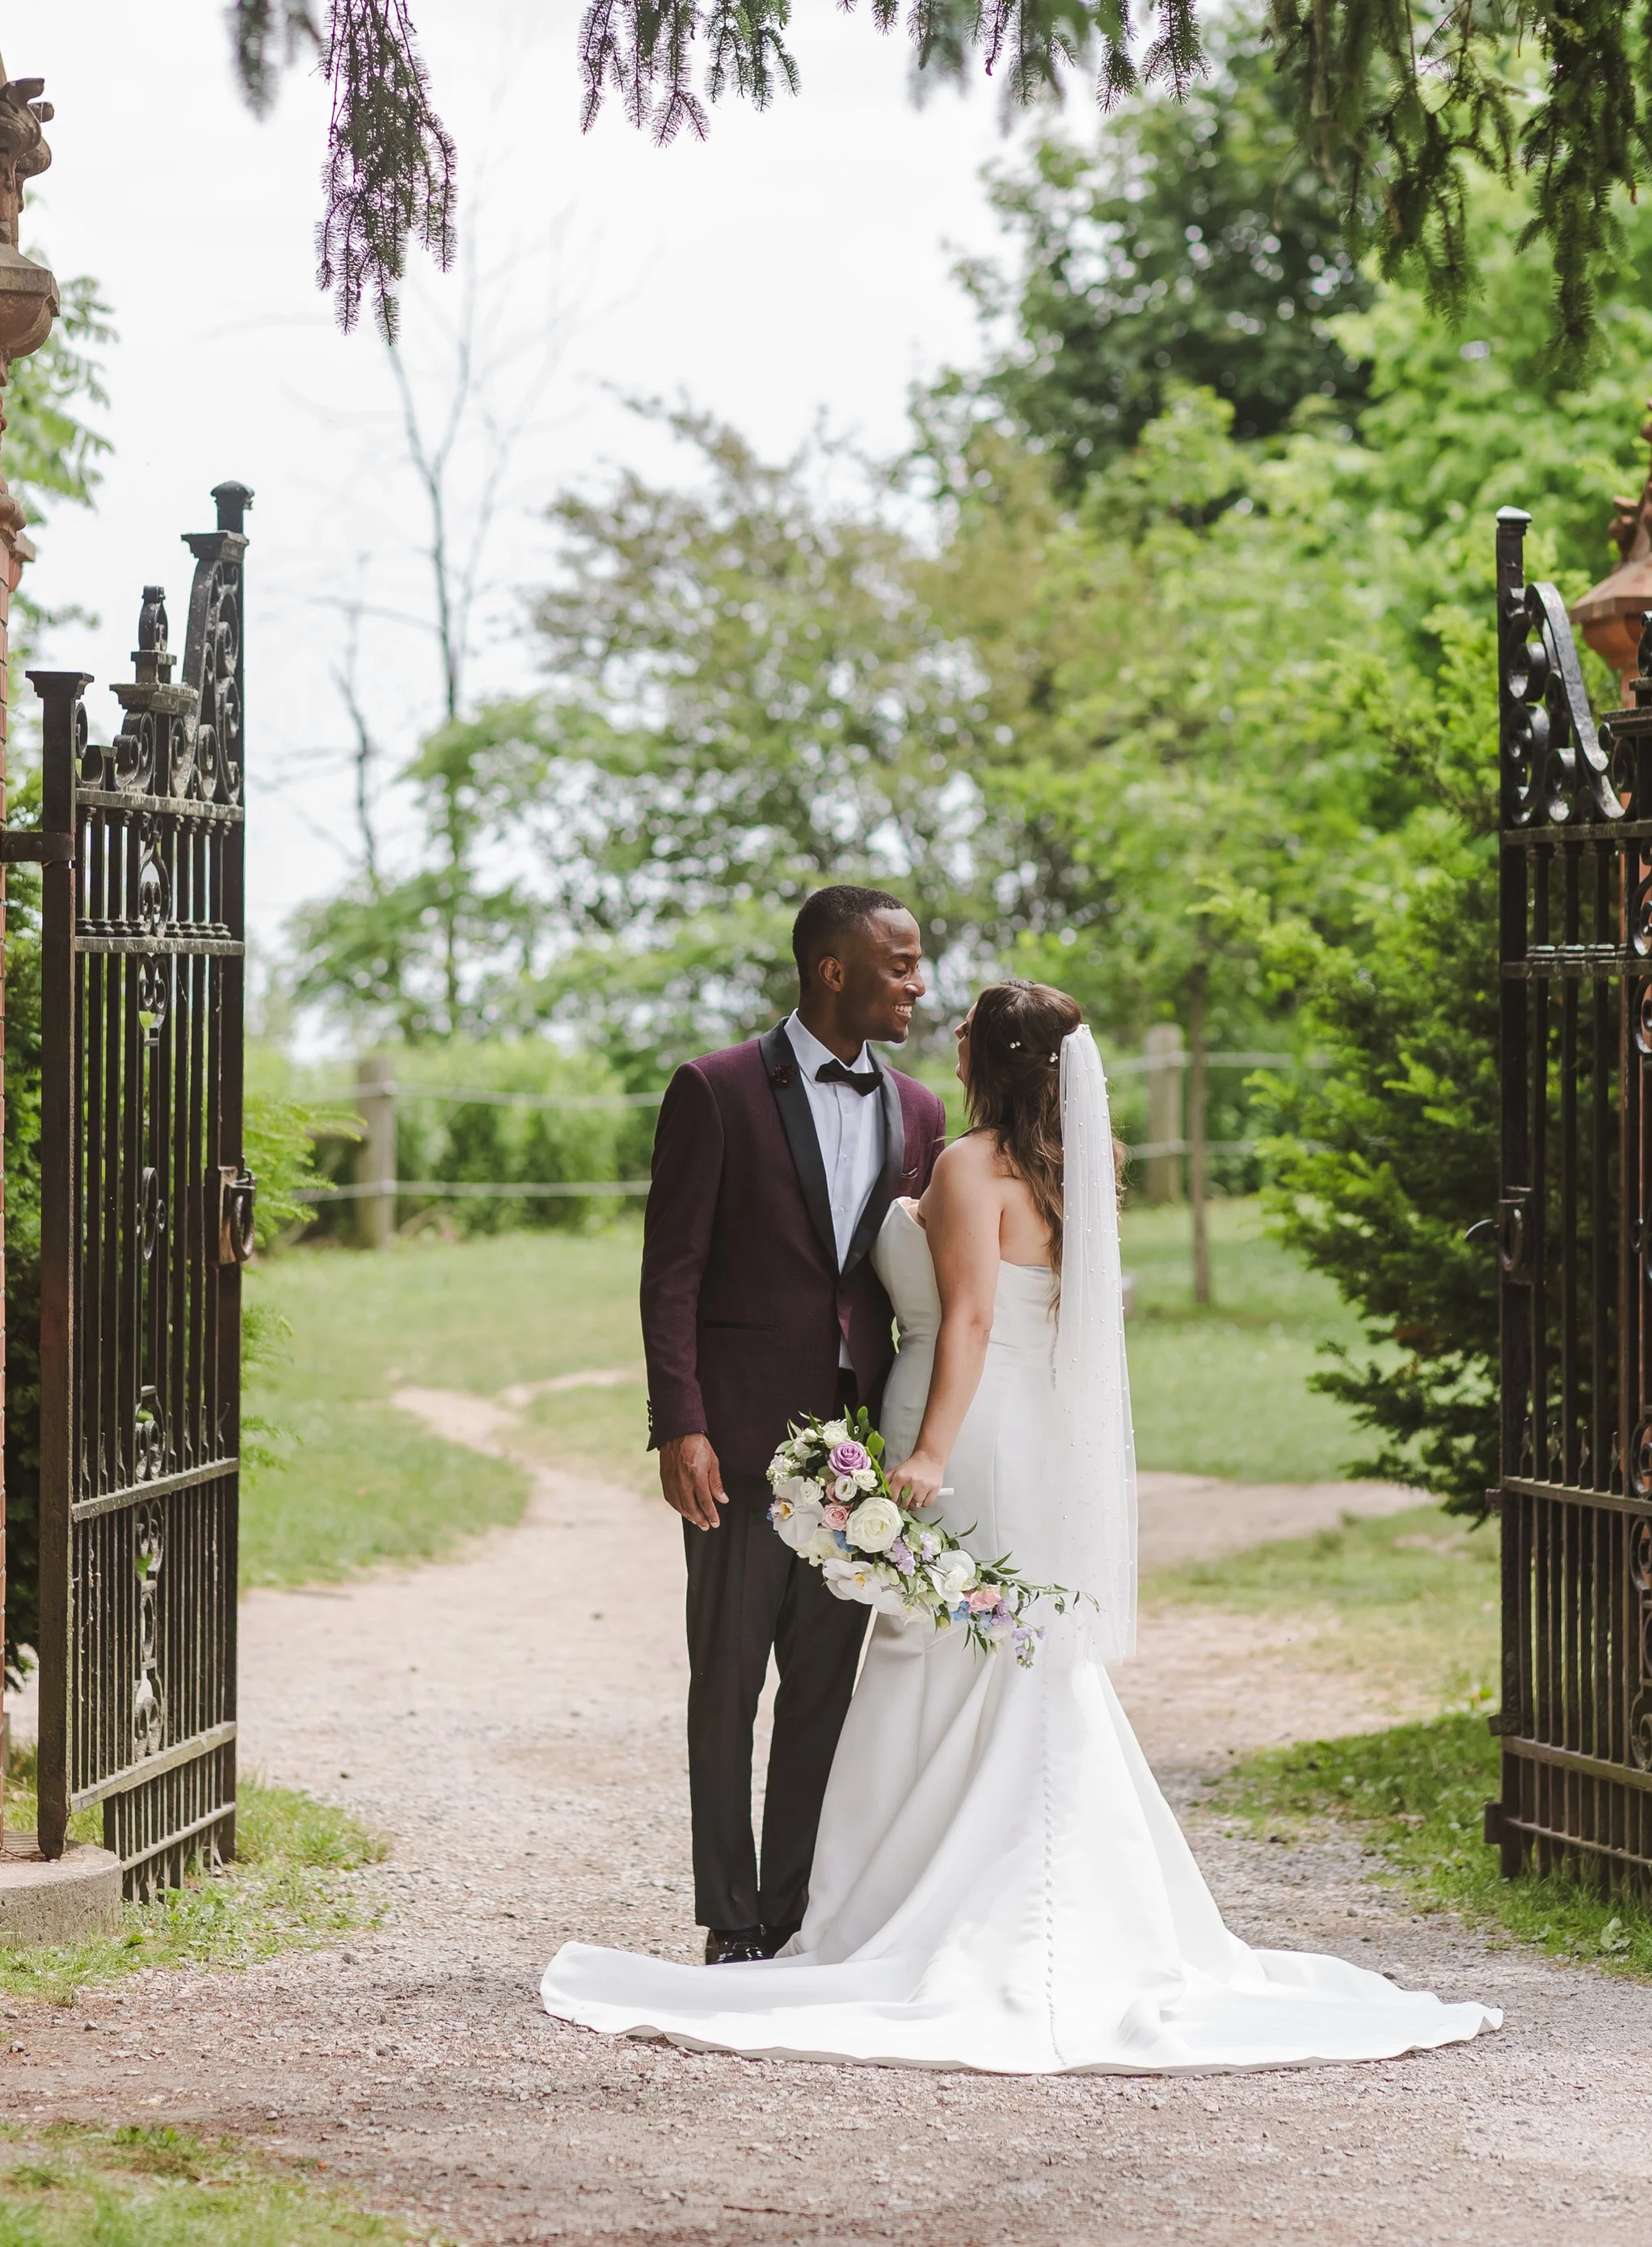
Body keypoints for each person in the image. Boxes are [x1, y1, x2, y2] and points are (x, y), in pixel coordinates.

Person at [543, 981, 1502, 2072]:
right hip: (1032, 1433)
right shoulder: (1078, 1168)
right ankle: (1026, 1895)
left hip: (964, 1426)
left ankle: (901, 1906)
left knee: (937, 1646)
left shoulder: (958, 1160)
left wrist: (934, 1450)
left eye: (958, 1030)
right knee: (1007, 1648)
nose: (936, 1030)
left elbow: (972, 1315)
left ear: (989, 1059)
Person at [635, 883, 946, 1965]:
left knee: (823, 1688)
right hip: (736, 1439)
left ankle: (796, 1907)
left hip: (858, 1453)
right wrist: (681, 1422)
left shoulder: (920, 1112)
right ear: (834, 970)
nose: (918, 981)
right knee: (726, 1685)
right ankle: (730, 1917)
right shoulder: (714, 1090)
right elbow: (669, 1271)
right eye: (901, 963)